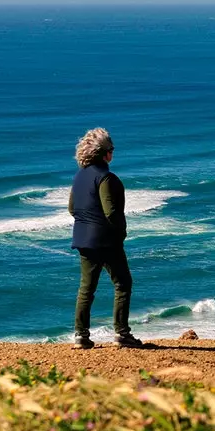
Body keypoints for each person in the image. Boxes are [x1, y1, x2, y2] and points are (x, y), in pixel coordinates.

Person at [68, 127, 143, 349]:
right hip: (106, 240)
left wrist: (87, 223)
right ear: (104, 153)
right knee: (122, 283)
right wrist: (121, 232)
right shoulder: (106, 178)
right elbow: (111, 212)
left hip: (83, 238)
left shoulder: (79, 176)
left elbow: (72, 208)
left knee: (86, 288)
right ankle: (122, 333)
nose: (113, 153)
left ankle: (81, 336)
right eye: (111, 149)